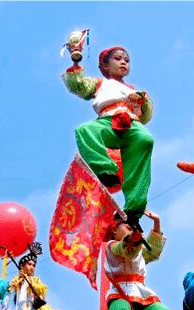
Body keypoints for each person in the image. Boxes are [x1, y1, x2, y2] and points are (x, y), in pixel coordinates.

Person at [62, 46, 155, 224]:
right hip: (107, 121)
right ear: (105, 66)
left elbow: (146, 115)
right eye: (117, 59)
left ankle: (134, 208)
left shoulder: (133, 90)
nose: (123, 62)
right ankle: (105, 170)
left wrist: (141, 102)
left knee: (145, 139)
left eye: (126, 60)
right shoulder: (99, 84)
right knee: (85, 130)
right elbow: (78, 85)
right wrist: (76, 60)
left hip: (131, 122)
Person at [103, 210, 176, 310]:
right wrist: (133, 238)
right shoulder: (111, 246)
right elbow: (126, 249)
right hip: (120, 293)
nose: (133, 230)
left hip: (141, 293)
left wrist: (156, 223)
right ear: (114, 230)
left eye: (134, 228)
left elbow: (152, 250)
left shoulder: (139, 251)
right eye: (128, 227)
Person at [7, 242, 53, 310]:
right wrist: (21, 279)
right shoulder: (19, 278)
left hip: (37, 303)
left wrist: (32, 284)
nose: (32, 267)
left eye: (34, 265)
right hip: (25, 304)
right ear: (22, 266)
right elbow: (13, 287)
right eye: (29, 264)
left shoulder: (35, 279)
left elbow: (42, 289)